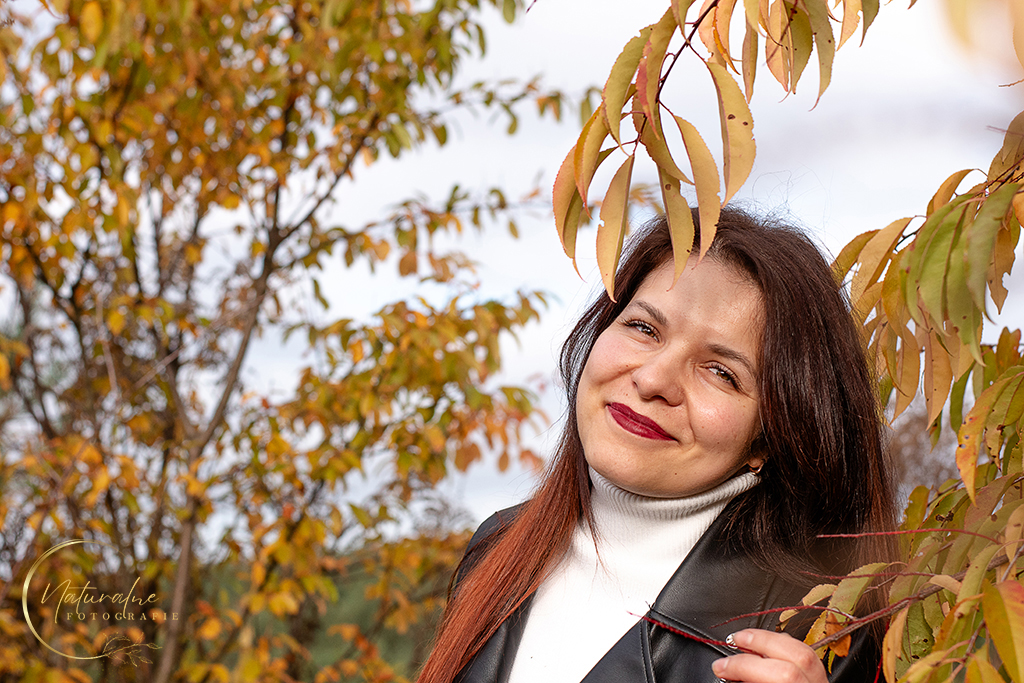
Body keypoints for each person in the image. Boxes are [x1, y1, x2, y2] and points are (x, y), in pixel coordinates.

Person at [417, 208, 898, 683]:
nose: (652, 380)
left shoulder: (814, 633)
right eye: (644, 328)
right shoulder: (499, 546)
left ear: (770, 438)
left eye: (721, 372)